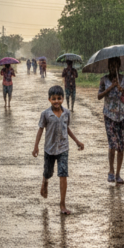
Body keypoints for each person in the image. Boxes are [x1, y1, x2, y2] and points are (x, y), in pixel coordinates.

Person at [32, 84, 84, 214]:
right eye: (54, 99)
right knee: (48, 172)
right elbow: (40, 130)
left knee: (63, 174)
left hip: (63, 149)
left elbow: (67, 128)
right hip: (49, 149)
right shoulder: (45, 114)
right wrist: (36, 146)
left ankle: (62, 205)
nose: (56, 101)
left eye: (59, 98)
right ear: (49, 99)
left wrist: (77, 141)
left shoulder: (66, 113)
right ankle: (45, 181)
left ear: (63, 99)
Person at [98, 57, 124, 184]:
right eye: (111, 66)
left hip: (122, 116)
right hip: (109, 116)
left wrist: (121, 89)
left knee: (121, 146)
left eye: (116, 66)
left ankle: (118, 174)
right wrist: (110, 87)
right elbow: (99, 96)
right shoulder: (104, 80)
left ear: (119, 66)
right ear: (108, 67)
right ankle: (111, 171)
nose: (114, 68)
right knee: (112, 144)